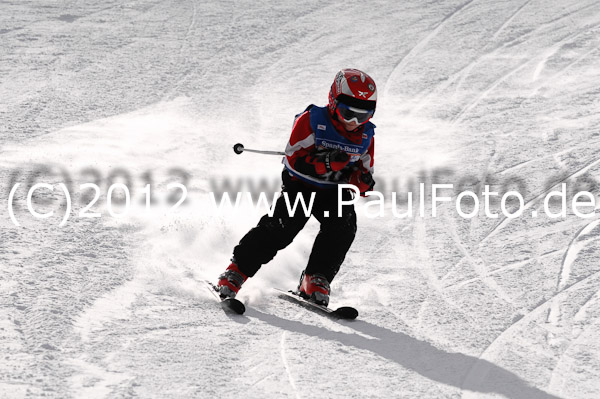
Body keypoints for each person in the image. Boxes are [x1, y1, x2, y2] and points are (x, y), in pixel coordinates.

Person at [217, 68, 377, 307]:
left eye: (362, 116)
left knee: (342, 227)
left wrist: (360, 180)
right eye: (347, 113)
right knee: (283, 226)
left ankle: (315, 278)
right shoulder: (313, 120)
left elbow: (365, 175)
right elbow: (293, 160)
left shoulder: (366, 136)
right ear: (333, 102)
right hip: (301, 185)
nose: (354, 122)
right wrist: (326, 163)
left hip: (334, 191)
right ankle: (237, 271)